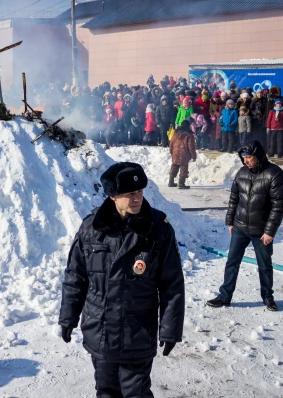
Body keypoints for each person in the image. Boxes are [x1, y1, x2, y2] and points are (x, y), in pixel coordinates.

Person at [59, 162, 185, 398]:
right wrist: (68, 317)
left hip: (137, 334)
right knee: (106, 392)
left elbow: (172, 285)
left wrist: (170, 330)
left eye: (139, 192)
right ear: (113, 196)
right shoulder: (91, 228)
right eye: (129, 194)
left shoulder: (158, 229)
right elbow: (76, 277)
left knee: (136, 393)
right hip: (100, 332)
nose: (137, 198)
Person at [207, 141, 283, 311]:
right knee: (232, 262)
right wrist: (230, 221)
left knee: (264, 265)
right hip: (240, 228)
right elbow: (234, 199)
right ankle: (224, 296)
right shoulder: (242, 173)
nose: (246, 161)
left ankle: (268, 297)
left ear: (258, 156)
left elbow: (278, 206)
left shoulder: (274, 174)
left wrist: (269, 231)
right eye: (243, 158)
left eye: (249, 157)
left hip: (261, 231)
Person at [169, 120, 197, 189]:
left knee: (174, 166)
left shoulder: (176, 133)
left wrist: (171, 152)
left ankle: (171, 182)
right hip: (184, 154)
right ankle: (181, 184)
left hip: (175, 153)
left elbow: (171, 143)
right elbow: (191, 146)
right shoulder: (189, 135)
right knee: (183, 167)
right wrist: (194, 156)